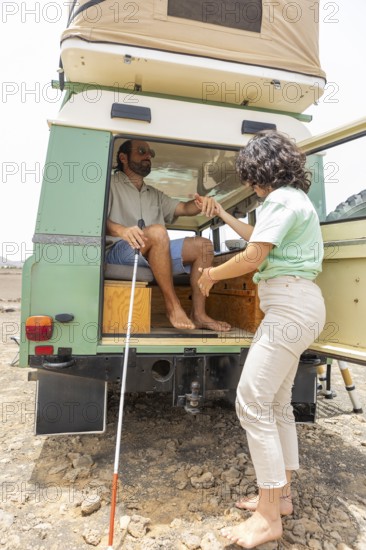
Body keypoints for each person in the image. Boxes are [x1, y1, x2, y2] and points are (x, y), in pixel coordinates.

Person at [196, 130, 326, 548]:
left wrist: (210, 276)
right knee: (275, 403)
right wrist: (225, 215)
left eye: (251, 177)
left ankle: (269, 518)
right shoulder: (291, 200)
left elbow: (254, 256)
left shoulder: (281, 200)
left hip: (289, 307)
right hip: (297, 305)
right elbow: (257, 237)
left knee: (251, 402)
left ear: (261, 172)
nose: (251, 185)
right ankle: (280, 496)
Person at [106, 139, 231, 332]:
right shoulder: (109, 185)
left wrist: (200, 203)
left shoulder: (154, 194)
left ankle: (199, 315)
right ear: (123, 157)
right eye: (141, 151)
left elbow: (183, 208)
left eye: (150, 153)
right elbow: (97, 220)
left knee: (204, 246)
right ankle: (173, 306)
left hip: (154, 251)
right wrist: (122, 231)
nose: (148, 156)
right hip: (120, 250)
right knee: (157, 232)